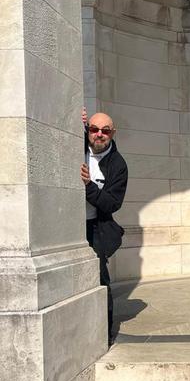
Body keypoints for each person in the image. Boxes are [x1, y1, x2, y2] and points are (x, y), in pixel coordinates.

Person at [81, 111, 128, 347]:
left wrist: (88, 186)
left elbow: (112, 203)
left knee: (100, 280)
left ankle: (103, 335)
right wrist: (75, 120)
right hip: (68, 224)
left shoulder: (118, 164)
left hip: (95, 228)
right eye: (94, 129)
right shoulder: (77, 146)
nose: (99, 134)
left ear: (112, 133)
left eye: (105, 131)